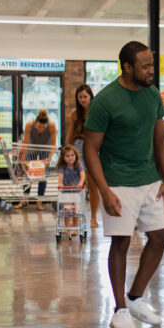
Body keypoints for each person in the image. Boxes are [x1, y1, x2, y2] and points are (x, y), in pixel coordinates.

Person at [83, 41, 164, 328]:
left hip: (149, 180)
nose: (151, 71)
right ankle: (119, 309)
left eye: (152, 65)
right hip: (118, 182)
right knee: (121, 242)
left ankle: (135, 297)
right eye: (145, 66)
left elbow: (160, 140)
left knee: (160, 237)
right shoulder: (105, 101)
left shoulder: (153, 95)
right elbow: (90, 150)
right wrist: (105, 191)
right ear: (127, 67)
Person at [67, 83, 100, 229]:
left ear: (90, 97)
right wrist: (66, 149)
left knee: (93, 185)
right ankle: (76, 218)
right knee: (76, 185)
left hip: (94, 146)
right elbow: (70, 133)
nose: (82, 100)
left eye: (85, 96)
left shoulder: (97, 111)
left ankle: (93, 217)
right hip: (78, 146)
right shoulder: (75, 113)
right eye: (80, 97)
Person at [16, 108, 57, 210]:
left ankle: (39, 201)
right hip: (31, 148)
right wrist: (23, 161)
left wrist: (49, 158)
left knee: (43, 175)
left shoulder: (51, 126)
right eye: (39, 126)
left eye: (43, 127)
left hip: (45, 149)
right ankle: (25, 199)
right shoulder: (29, 125)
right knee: (27, 173)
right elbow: (25, 144)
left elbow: (53, 145)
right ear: (35, 123)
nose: (41, 129)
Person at [57, 144, 86, 229]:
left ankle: (75, 226)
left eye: (72, 155)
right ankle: (67, 226)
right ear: (63, 158)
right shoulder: (63, 167)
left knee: (76, 210)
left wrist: (80, 183)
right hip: (66, 192)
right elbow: (61, 176)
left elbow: (82, 175)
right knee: (67, 209)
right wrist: (60, 183)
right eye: (67, 156)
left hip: (77, 191)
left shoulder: (78, 165)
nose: (70, 158)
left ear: (75, 156)